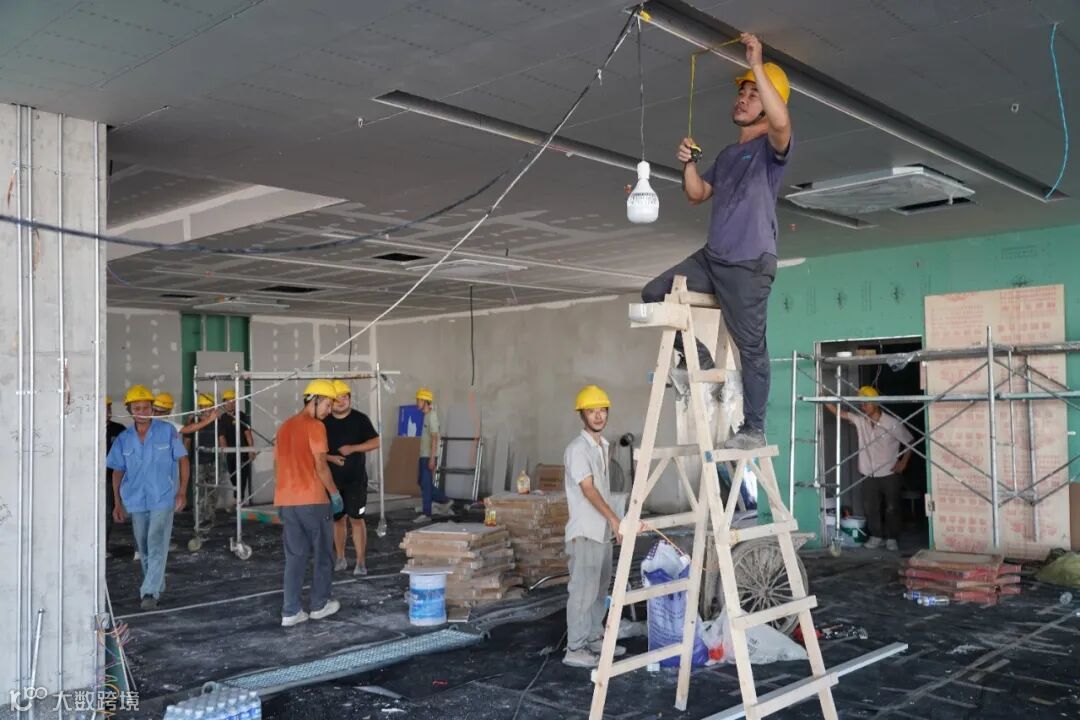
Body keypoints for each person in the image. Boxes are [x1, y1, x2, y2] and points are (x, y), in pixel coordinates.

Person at [640, 33, 792, 452]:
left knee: (751, 348)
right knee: (654, 294)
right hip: (713, 259)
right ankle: (698, 356)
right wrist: (689, 164)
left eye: (753, 94)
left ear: (769, 102)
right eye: (741, 92)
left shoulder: (771, 149)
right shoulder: (727, 155)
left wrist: (757, 64)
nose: (742, 98)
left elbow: (782, 124)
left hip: (748, 263)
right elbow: (696, 194)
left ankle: (754, 427)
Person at [105, 384, 189, 609]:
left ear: (152, 408)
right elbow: (117, 471)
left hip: (163, 497)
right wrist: (117, 503)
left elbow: (183, 460)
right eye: (137, 408)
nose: (142, 412)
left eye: (145, 407)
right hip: (135, 499)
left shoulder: (167, 431)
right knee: (143, 545)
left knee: (156, 540)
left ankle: (149, 591)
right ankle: (155, 585)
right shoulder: (124, 439)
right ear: (130, 410)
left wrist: (182, 491)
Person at [562, 385, 627, 668]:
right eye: (592, 411)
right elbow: (588, 489)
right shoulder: (577, 449)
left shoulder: (602, 447)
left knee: (600, 590)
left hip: (602, 532)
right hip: (585, 532)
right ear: (582, 415)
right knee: (583, 592)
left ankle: (593, 637)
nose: (598, 416)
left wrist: (617, 520)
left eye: (602, 410)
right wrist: (614, 519)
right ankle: (575, 648)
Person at [274, 379, 344, 627]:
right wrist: (334, 493)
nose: (329, 410)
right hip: (313, 501)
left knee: (295, 557)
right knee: (324, 554)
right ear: (314, 400)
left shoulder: (284, 427)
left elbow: (278, 464)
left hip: (287, 501)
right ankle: (319, 605)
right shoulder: (315, 427)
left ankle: (291, 611)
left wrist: (281, 497)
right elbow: (321, 465)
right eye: (327, 404)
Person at [825, 386, 913, 551]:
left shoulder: (892, 423)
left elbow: (910, 442)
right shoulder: (861, 420)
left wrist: (903, 462)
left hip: (889, 472)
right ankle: (876, 536)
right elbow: (839, 413)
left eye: (866, 403)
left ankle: (892, 538)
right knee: (871, 507)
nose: (863, 406)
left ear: (876, 404)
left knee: (892, 507)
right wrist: (824, 398)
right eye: (861, 403)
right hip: (868, 473)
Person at [324, 379, 380, 575]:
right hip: (332, 482)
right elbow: (315, 452)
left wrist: (353, 448)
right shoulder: (324, 421)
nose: (341, 401)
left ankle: (360, 562)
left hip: (356, 481)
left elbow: (376, 442)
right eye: (337, 398)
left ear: (349, 398)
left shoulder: (360, 419)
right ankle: (340, 558)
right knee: (337, 520)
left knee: (357, 519)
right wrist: (331, 458)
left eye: (345, 397)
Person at [413, 387, 453, 524]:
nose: (417, 402)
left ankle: (427, 513)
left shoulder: (432, 416)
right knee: (422, 482)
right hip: (423, 456)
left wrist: (432, 458)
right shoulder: (426, 416)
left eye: (419, 400)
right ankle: (445, 501)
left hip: (428, 456)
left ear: (425, 401)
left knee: (426, 485)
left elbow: (435, 438)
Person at [219, 388, 256, 509]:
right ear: (224, 403)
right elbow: (221, 436)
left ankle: (239, 500)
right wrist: (224, 451)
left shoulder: (241, 416)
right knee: (233, 475)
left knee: (243, 475)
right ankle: (237, 498)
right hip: (231, 453)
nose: (230, 404)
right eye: (228, 401)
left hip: (243, 452)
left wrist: (251, 449)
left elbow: (248, 433)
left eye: (233, 401)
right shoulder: (222, 418)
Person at [105, 395, 127, 558]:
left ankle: (102, 546)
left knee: (107, 511)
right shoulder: (87, 428)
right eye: (104, 409)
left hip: (109, 477)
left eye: (109, 408)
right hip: (87, 479)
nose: (107, 412)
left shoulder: (119, 430)